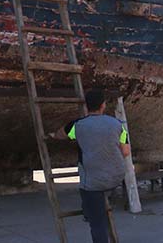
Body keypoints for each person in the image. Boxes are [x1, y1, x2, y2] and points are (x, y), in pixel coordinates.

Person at [59, 90, 129, 243]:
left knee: (97, 223)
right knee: (97, 189)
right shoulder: (118, 125)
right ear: (103, 105)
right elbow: (125, 151)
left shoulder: (77, 126)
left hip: (94, 182)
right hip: (117, 176)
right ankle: (92, 209)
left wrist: (51, 135)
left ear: (86, 106)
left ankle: (90, 213)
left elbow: (63, 134)